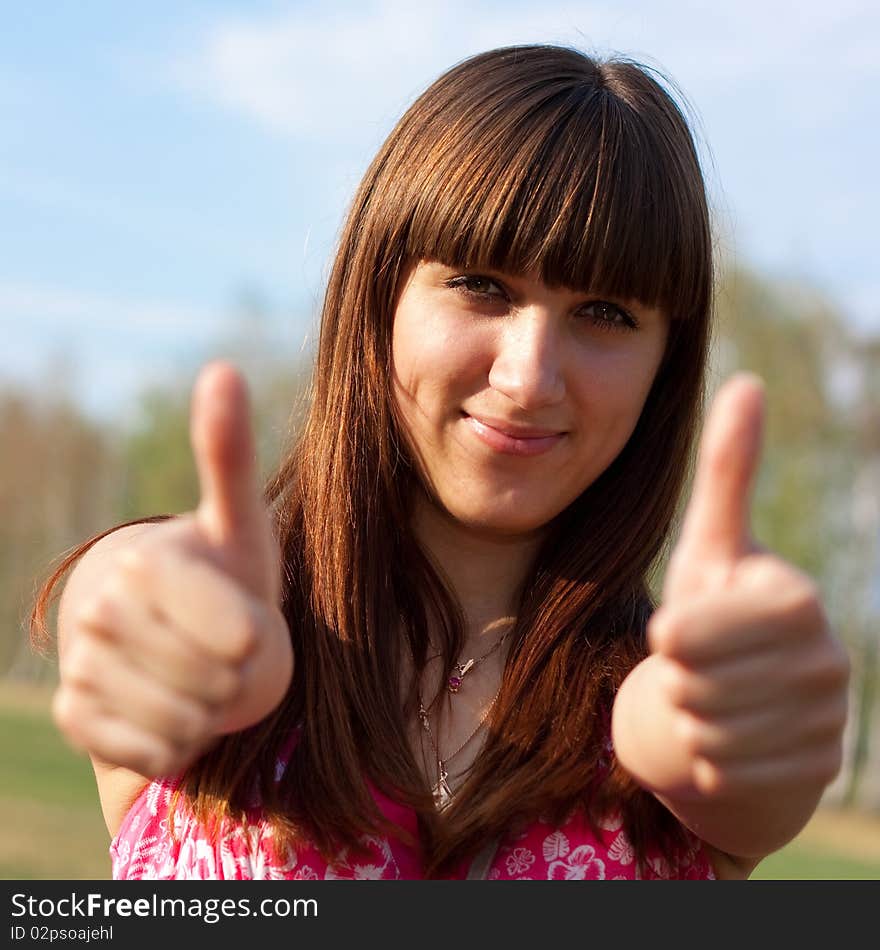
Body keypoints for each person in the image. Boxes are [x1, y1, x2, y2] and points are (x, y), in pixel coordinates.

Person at [31, 44, 849, 881]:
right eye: (481, 286)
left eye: (604, 311)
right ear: (380, 294)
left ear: (663, 368)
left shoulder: (679, 727)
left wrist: (721, 728)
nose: (528, 378)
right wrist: (156, 624)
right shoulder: (212, 604)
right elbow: (130, 600)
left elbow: (743, 781)